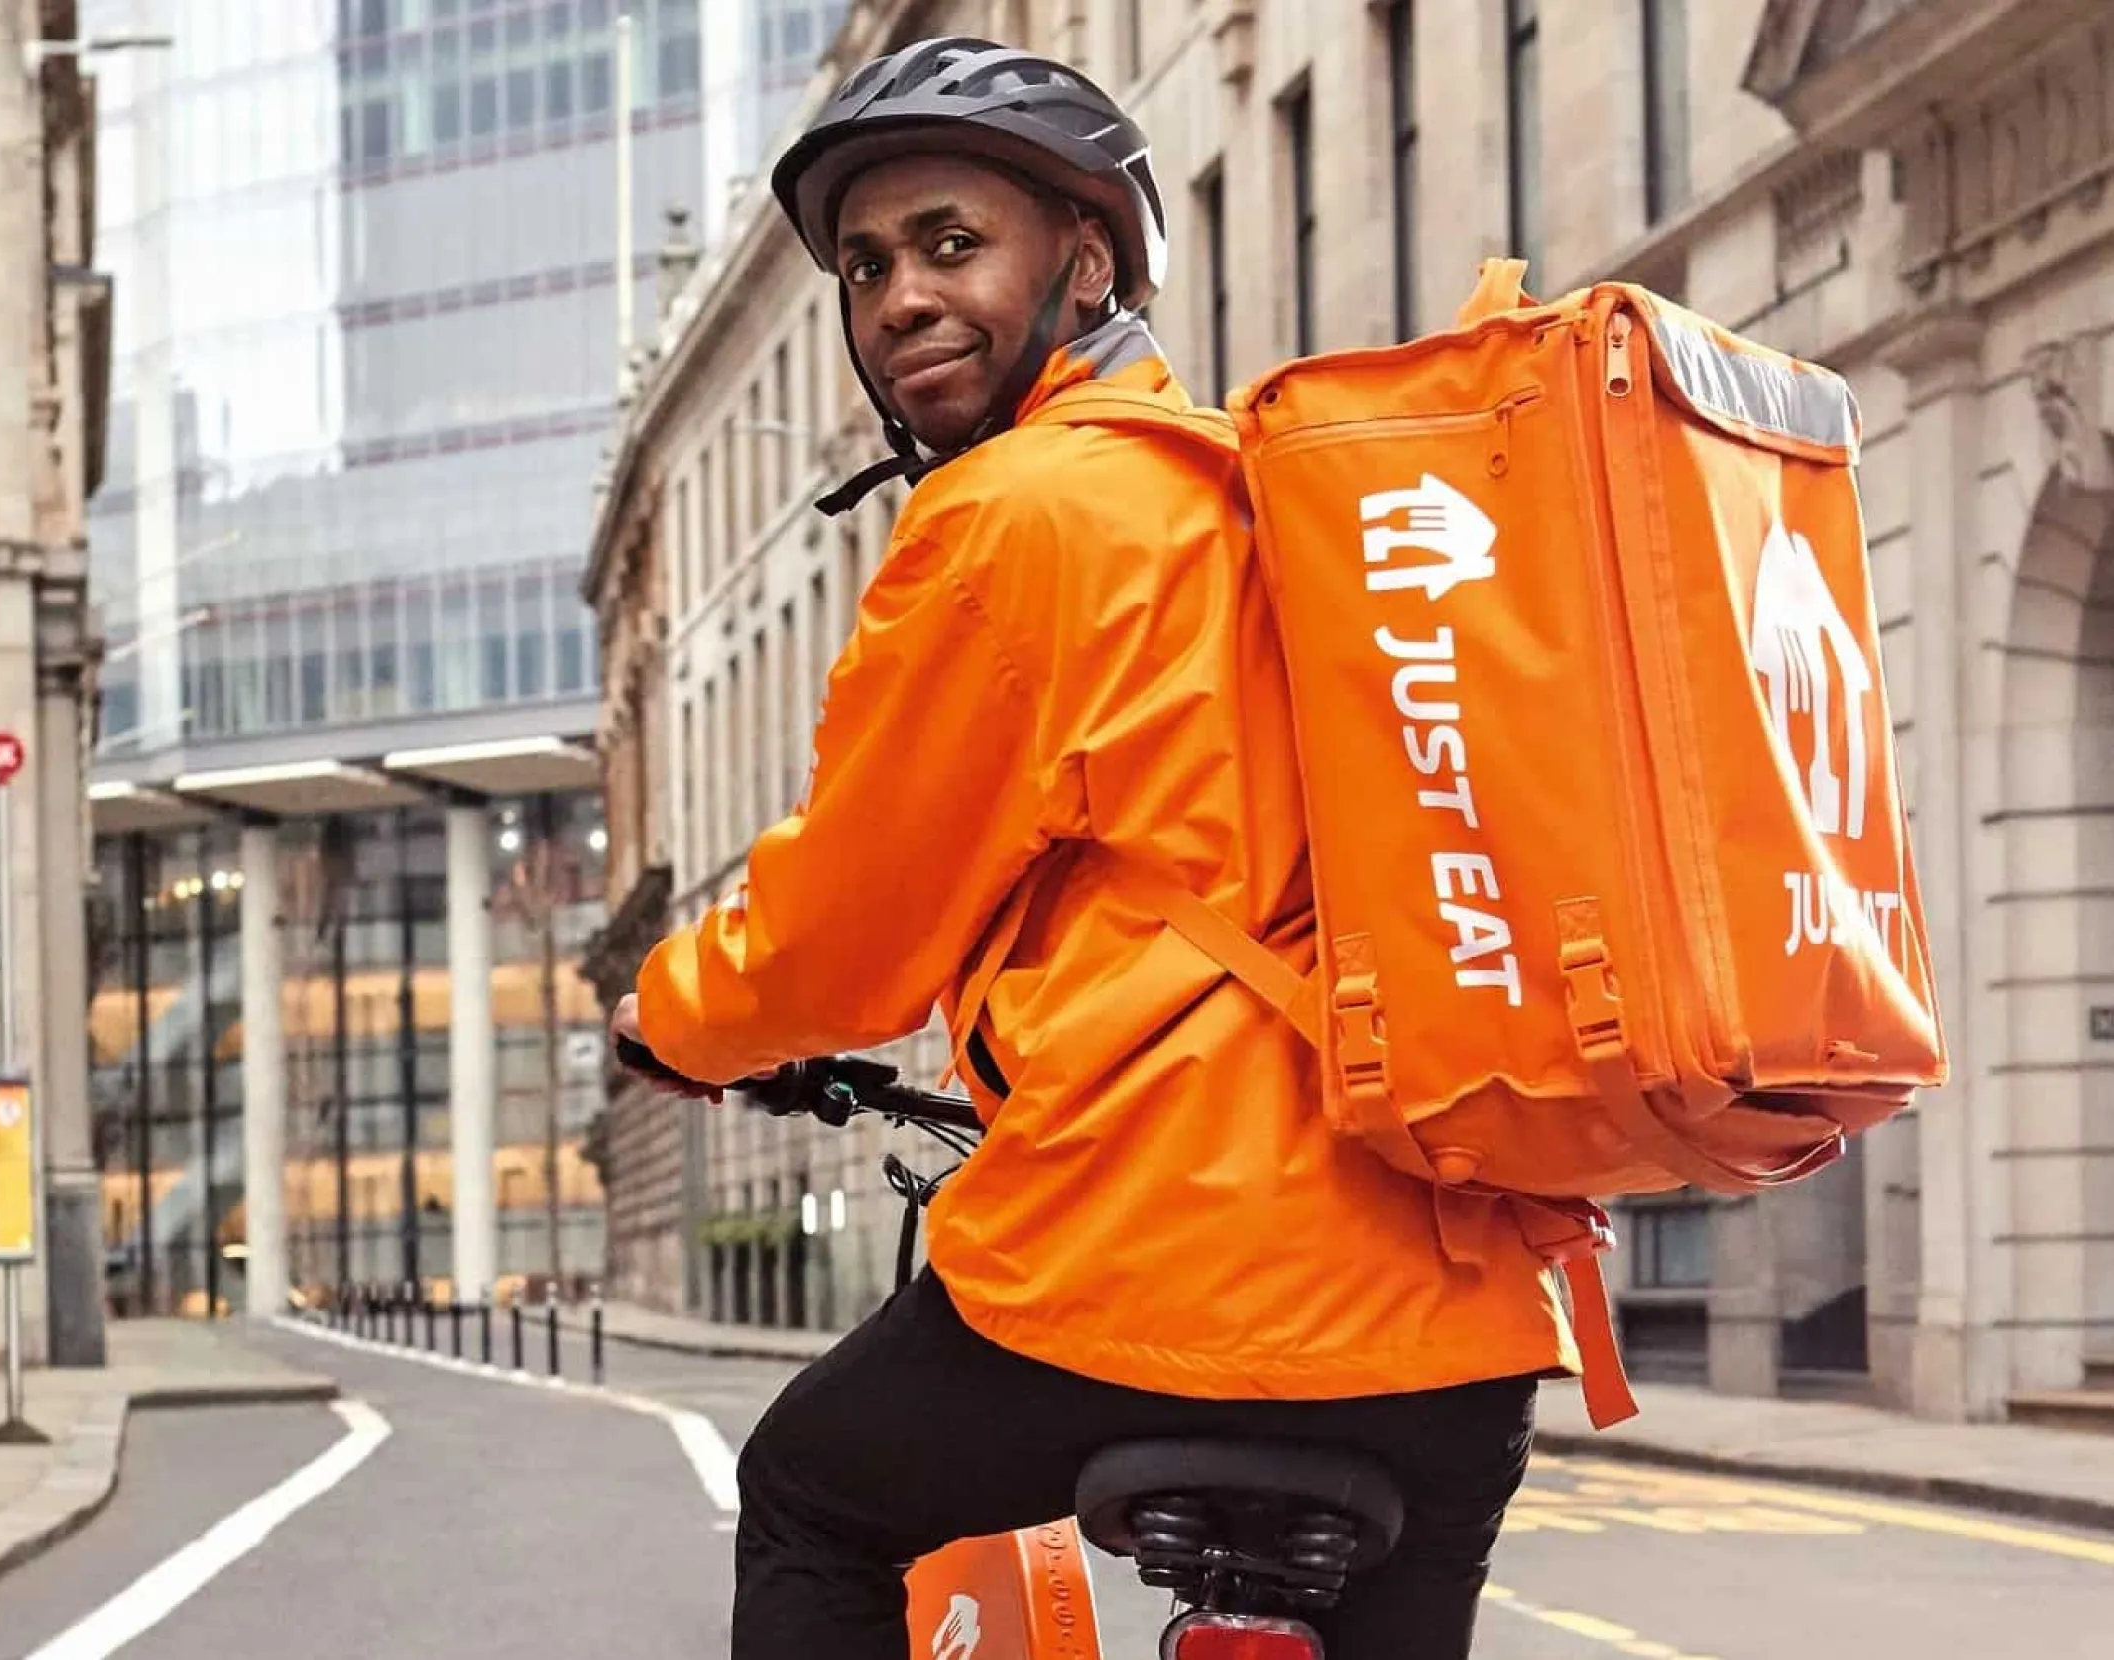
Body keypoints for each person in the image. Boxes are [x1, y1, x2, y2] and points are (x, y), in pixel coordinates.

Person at [608, 37, 1577, 1660]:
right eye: (864, 265)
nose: (898, 295)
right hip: (1455, 1320)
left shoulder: (1015, 518)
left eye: (947, 242)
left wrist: (670, 1021)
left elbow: (842, 940)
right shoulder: (1287, 504)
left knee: (809, 1496)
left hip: (1160, 1271)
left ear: (1090, 261)